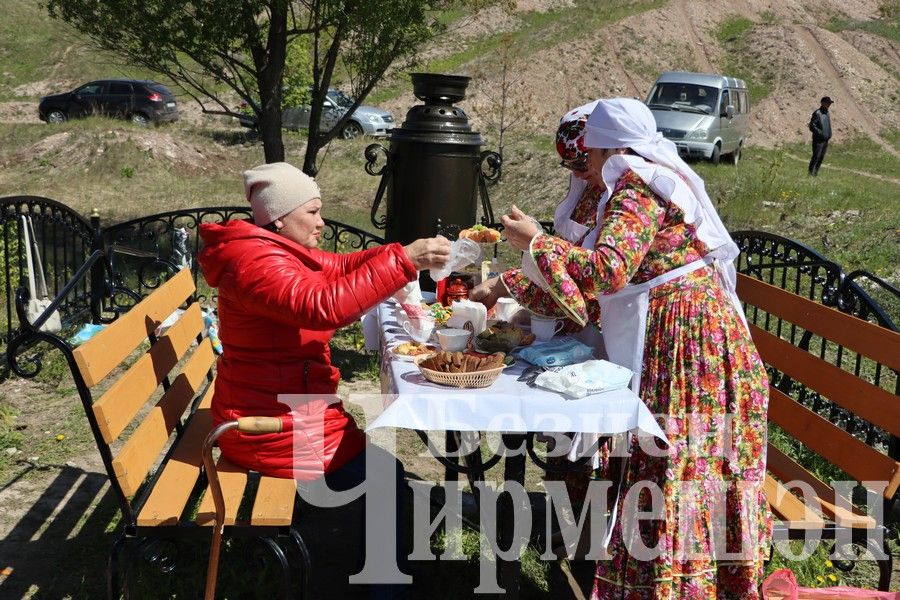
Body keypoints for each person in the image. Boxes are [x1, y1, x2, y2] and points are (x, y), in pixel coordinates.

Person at [480, 99, 771, 599]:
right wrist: (525, 270)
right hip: (675, 328)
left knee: (676, 459)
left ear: (609, 145)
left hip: (687, 339)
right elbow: (597, 285)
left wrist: (536, 245)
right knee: (670, 460)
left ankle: (679, 585)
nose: (584, 168)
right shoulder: (630, 182)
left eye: (586, 155)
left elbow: (607, 271)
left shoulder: (637, 184)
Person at [198, 161, 450, 597]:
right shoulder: (254, 263)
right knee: (385, 479)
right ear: (279, 216)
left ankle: (379, 575)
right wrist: (405, 260)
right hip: (267, 426)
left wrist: (401, 253)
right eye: (312, 212)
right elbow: (323, 305)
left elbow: (338, 266)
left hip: (282, 410)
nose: (321, 221)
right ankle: (384, 588)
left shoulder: (272, 249)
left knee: (386, 473)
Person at [808, 96, 833, 176]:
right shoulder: (817, 113)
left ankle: (815, 173)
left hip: (825, 139)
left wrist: (829, 134)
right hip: (818, 139)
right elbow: (812, 126)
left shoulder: (827, 113)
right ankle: (810, 173)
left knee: (821, 157)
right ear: (822, 103)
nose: (829, 104)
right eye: (828, 103)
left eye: (830, 103)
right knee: (816, 156)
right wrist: (820, 133)